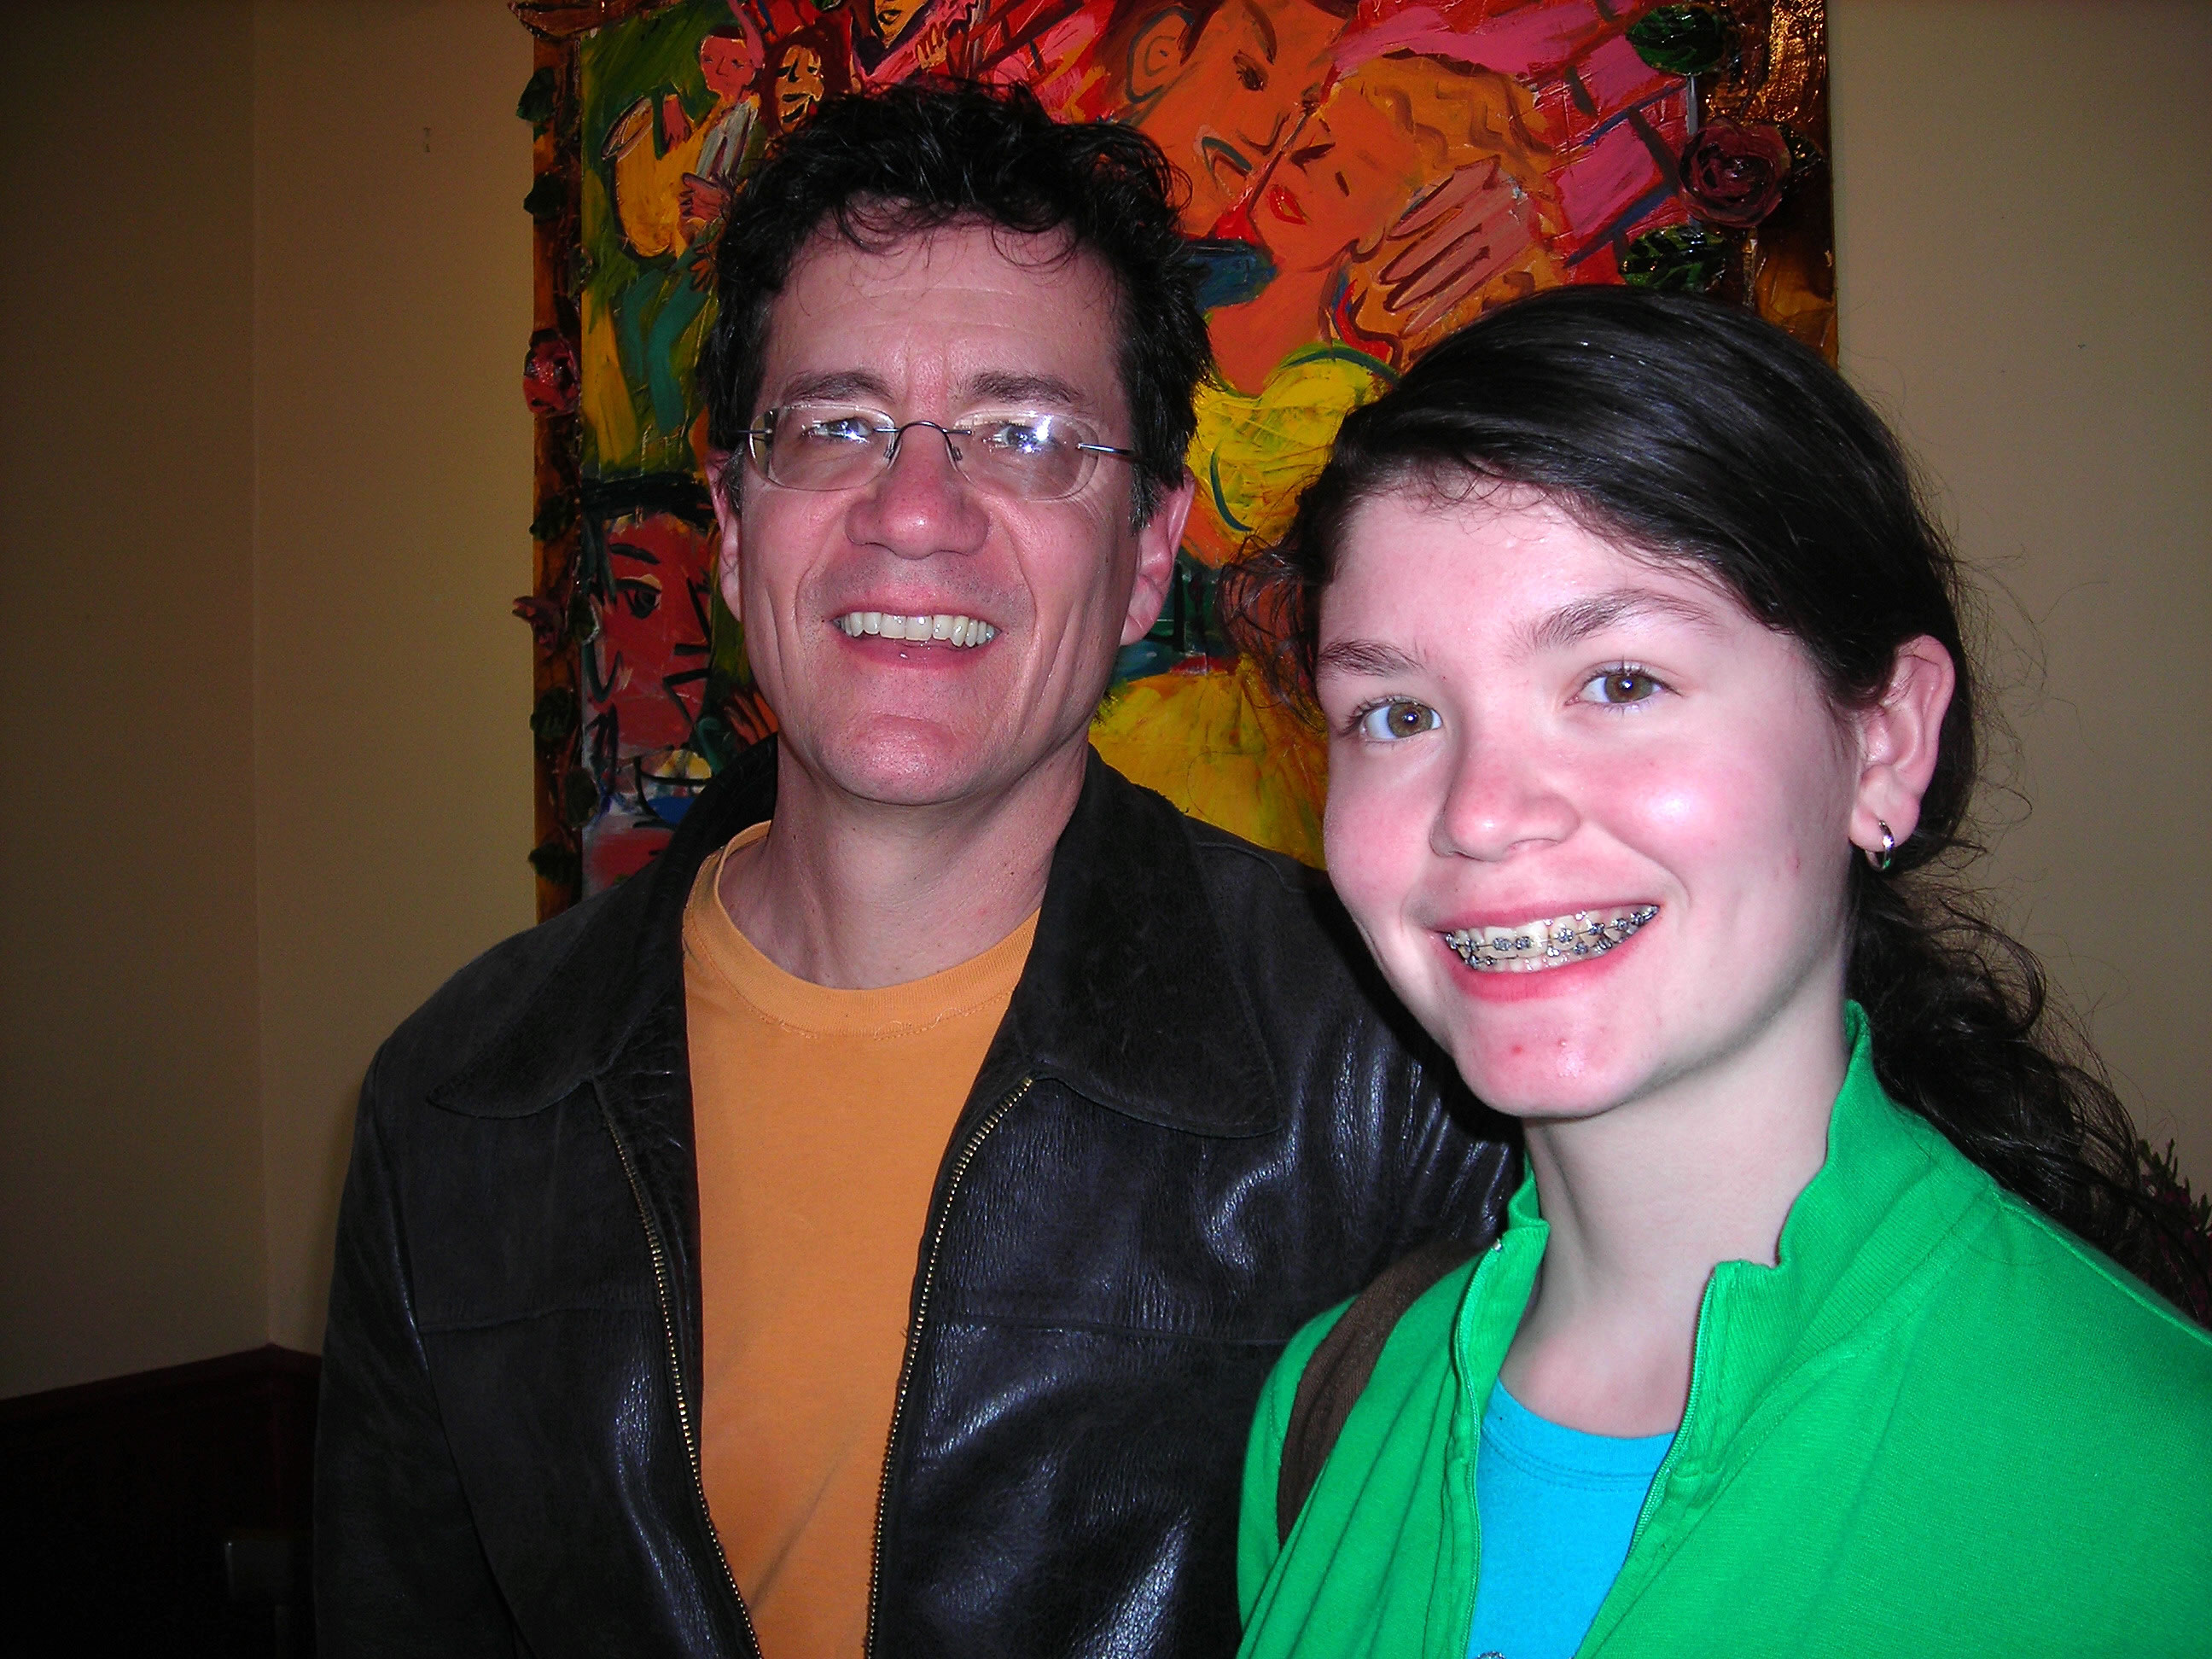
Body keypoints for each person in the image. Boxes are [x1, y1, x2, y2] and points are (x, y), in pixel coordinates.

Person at [315, 83, 1513, 1656]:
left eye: (1026, 437)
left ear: (1150, 549)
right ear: (733, 520)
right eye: (837, 427)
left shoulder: (1399, 1071)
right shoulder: (463, 1095)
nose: (916, 514)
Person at [1231, 286, 2212, 1656]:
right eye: (1397, 714)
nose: (1482, 814)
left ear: (1884, 743)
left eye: (1620, 682)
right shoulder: (1334, 1406)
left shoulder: (2163, 1499)